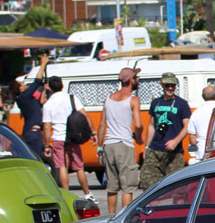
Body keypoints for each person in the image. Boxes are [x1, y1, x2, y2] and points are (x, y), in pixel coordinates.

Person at [41, 76, 95, 199]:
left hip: (58, 137)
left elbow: (47, 126)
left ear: (49, 88)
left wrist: (46, 145)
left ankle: (66, 195)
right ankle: (87, 194)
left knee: (61, 166)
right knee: (79, 166)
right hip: (73, 135)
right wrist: (93, 132)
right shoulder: (72, 98)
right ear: (62, 86)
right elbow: (84, 115)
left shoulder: (48, 104)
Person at [97, 67, 142, 215]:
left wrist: (99, 146)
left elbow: (102, 124)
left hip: (109, 144)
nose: (137, 80)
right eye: (135, 78)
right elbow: (138, 124)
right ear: (130, 80)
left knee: (112, 186)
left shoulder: (109, 98)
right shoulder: (133, 100)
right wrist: (140, 138)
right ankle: (123, 217)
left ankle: (110, 216)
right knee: (128, 187)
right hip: (124, 144)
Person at [139, 72, 191, 190]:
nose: (170, 88)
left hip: (173, 153)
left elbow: (187, 126)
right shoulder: (156, 103)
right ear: (161, 84)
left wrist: (175, 141)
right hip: (155, 149)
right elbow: (151, 125)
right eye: (167, 85)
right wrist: (146, 148)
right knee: (148, 185)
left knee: (177, 189)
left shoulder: (181, 104)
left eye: (173, 85)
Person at [15, 53, 50, 161]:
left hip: (33, 131)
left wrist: (44, 89)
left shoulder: (25, 98)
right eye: (21, 85)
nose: (23, 85)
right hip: (33, 132)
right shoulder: (24, 97)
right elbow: (37, 81)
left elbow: (40, 102)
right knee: (36, 158)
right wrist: (43, 64)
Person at [186, 84, 215, 163]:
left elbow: (192, 135)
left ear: (202, 96)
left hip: (202, 152)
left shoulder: (196, 112)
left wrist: (195, 148)